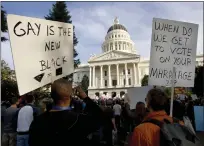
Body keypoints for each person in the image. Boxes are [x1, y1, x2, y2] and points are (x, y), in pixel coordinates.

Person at [29, 79, 105, 146]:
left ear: (52, 95)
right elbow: (102, 118)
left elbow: (32, 142)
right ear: (70, 96)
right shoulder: (80, 120)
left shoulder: (37, 121)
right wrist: (85, 98)